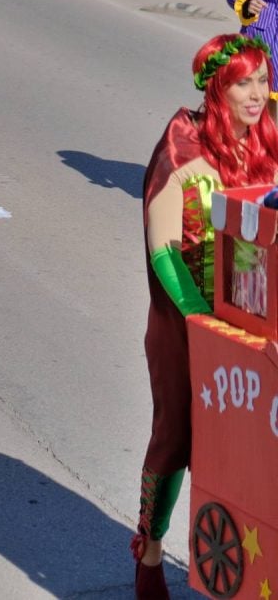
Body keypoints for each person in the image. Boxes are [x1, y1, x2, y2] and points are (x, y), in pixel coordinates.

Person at [133, 33, 278, 600]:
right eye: (244, 82)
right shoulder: (181, 149)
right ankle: (148, 549)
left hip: (256, 317)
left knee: (257, 442)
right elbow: (163, 247)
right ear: (218, 86)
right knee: (176, 437)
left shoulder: (267, 139)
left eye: (263, 80)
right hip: (186, 324)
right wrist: (198, 321)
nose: (257, 94)